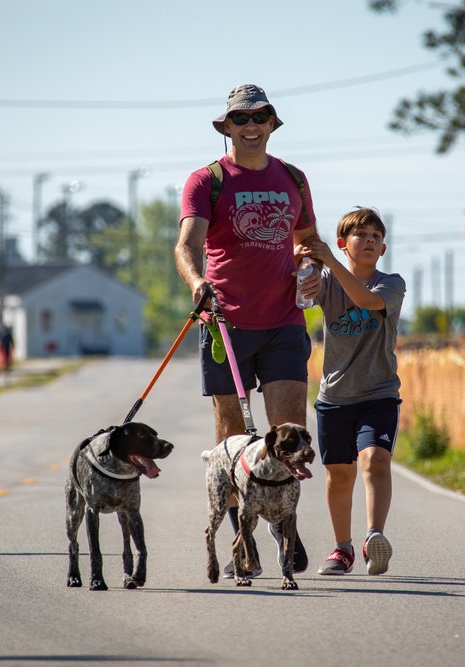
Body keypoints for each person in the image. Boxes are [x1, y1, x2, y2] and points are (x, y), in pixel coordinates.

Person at [175, 83, 321, 578]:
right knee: (235, 441)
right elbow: (187, 244)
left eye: (261, 116)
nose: (251, 125)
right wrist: (197, 283)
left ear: (272, 124)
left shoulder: (293, 178)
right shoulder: (206, 180)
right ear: (227, 127)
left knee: (287, 439)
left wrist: (310, 268)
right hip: (226, 324)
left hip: (283, 322)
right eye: (241, 119)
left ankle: (285, 531)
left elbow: (307, 241)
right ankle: (245, 544)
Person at [297, 207, 405, 576]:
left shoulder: (391, 284)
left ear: (384, 248)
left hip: (378, 394)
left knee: (375, 460)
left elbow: (366, 301)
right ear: (344, 244)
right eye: (361, 235)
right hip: (334, 398)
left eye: (376, 236)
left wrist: (329, 260)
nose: (370, 241)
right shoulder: (325, 281)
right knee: (339, 475)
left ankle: (375, 538)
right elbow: (301, 294)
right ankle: (341, 549)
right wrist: (301, 266)